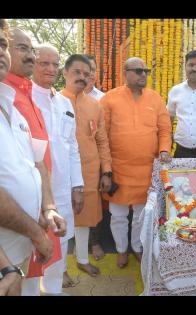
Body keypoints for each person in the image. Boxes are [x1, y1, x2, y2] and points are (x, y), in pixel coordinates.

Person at [0, 20, 58, 296]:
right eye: (22, 47)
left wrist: (48, 208)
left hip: (16, 252)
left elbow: (36, 161)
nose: (31, 57)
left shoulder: (12, 103)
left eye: (2, 44)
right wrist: (36, 233)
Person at [100, 57, 172, 268]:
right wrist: (106, 168)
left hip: (147, 170)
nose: (143, 75)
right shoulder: (109, 99)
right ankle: (121, 250)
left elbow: (165, 129)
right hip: (118, 169)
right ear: (126, 73)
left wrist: (165, 149)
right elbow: (101, 135)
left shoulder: (156, 98)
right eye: (139, 71)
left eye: (146, 71)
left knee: (142, 215)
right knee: (118, 215)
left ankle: (137, 248)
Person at [25, 45, 84, 296]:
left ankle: (53, 289)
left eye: (54, 64)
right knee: (31, 244)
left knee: (61, 239)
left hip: (62, 186)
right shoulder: (23, 100)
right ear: (32, 64)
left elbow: (72, 147)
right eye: (43, 63)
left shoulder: (64, 103)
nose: (50, 69)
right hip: (33, 188)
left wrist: (77, 185)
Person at [61, 54, 112, 282]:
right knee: (60, 219)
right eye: (77, 72)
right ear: (65, 73)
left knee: (84, 219)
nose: (82, 77)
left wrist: (106, 171)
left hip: (89, 171)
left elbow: (102, 140)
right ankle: (59, 268)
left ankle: (82, 259)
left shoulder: (95, 105)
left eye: (86, 73)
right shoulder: (55, 101)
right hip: (61, 172)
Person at [84, 54, 106, 262]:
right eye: (85, 69)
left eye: (92, 69)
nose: (89, 74)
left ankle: (95, 242)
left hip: (97, 159)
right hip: (73, 160)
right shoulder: (63, 97)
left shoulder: (102, 98)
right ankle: (77, 245)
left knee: (95, 201)